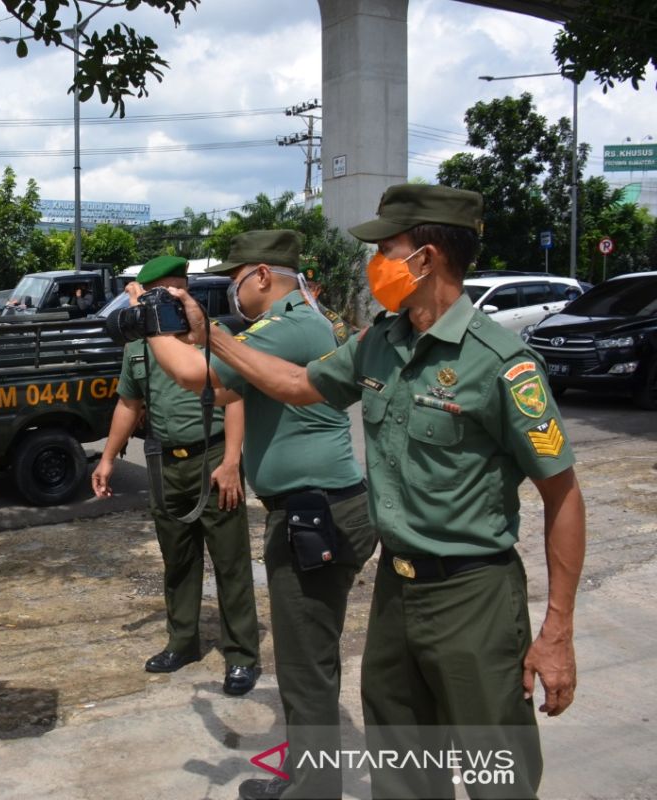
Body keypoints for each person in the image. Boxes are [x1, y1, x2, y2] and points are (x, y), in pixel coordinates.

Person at [153, 186, 586, 799]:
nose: (373, 264)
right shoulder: (383, 341)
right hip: (396, 589)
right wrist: (214, 339)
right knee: (403, 771)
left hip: (475, 596)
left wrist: (558, 631)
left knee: (498, 778)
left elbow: (563, 496)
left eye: (386, 249)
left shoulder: (501, 363)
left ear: (427, 257)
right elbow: (300, 384)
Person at [144, 232, 376, 799]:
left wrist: (151, 320)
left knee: (305, 666)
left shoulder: (288, 326)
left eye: (236, 278)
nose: (232, 289)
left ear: (265, 275)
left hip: (312, 511)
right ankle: (308, 774)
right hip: (311, 508)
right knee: (304, 658)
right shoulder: (298, 323)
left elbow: (194, 374)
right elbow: (226, 390)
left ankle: (314, 789)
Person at [91, 255, 261, 696]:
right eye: (156, 296)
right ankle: (183, 642)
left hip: (213, 459)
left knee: (230, 563)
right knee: (178, 562)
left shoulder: (209, 339)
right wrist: (108, 458)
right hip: (165, 463)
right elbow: (129, 404)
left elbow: (237, 398)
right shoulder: (139, 345)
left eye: (174, 293)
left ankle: (241, 655)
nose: (166, 303)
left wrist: (231, 463)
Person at [299, 258, 354, 346]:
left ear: (318, 290)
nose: (304, 291)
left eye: (309, 287)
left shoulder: (332, 321)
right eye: (301, 287)